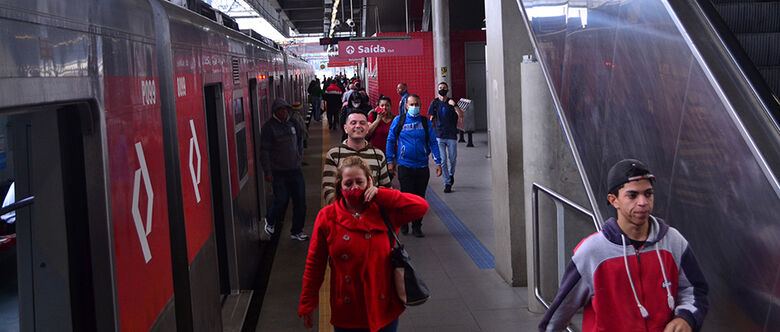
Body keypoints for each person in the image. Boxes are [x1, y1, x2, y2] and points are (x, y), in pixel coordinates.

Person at [538, 159, 708, 332]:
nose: (643, 202)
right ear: (613, 200)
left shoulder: (673, 241)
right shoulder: (592, 252)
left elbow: (694, 290)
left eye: (648, 194)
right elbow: (558, 315)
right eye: (632, 195)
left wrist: (686, 318)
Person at [299, 156, 429, 332]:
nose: (354, 188)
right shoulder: (327, 217)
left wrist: (382, 194)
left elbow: (421, 207)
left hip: (383, 307)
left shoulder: (384, 211)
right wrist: (308, 301)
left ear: (369, 182)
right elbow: (315, 263)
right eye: (348, 183)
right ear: (340, 186)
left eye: (359, 182)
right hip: (347, 310)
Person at [385, 94, 442, 237]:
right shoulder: (399, 120)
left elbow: (433, 142)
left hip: (422, 166)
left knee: (420, 198)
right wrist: (390, 161)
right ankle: (404, 223)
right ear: (406, 106)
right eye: (412, 104)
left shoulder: (425, 122)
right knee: (406, 196)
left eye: (417, 104)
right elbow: (391, 140)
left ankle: (417, 226)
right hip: (405, 166)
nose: (414, 107)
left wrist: (438, 162)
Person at [259, 98, 309, 241]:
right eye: (280, 110)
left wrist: (299, 157)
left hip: (295, 170)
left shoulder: (293, 124)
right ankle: (270, 220)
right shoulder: (269, 128)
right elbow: (264, 151)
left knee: (300, 202)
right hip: (278, 172)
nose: (283, 112)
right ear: (275, 112)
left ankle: (296, 231)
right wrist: (267, 171)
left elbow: (300, 140)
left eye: (285, 109)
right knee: (281, 200)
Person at [322, 111, 392, 205]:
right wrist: (342, 209)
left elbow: (387, 187)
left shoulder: (378, 155)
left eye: (362, 123)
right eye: (353, 123)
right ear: (345, 128)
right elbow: (328, 188)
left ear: (367, 128)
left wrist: (378, 193)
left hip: (371, 213)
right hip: (343, 215)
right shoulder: (334, 154)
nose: (358, 126)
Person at [427, 82, 463, 193]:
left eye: (444, 88)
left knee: (452, 159)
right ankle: (447, 183)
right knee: (442, 160)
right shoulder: (435, 103)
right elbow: (431, 118)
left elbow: (461, 115)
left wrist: (455, 105)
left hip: (451, 135)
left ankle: (451, 174)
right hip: (439, 136)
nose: (442, 89)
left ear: (448, 89)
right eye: (440, 88)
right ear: (437, 90)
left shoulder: (452, 102)